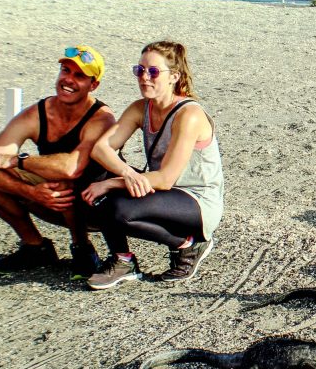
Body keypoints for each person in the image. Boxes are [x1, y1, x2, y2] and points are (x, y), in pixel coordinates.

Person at [83, 41, 224, 290]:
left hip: (196, 200)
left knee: (118, 208)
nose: (144, 77)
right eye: (139, 70)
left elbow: (166, 178)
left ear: (174, 77)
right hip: (163, 191)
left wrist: (113, 183)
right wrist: (125, 173)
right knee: (94, 172)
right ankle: (123, 260)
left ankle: (188, 245)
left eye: (154, 72)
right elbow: (100, 149)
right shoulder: (141, 108)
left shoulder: (189, 115)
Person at [0, 45, 116, 278]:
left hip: (97, 206)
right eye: (65, 71)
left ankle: (82, 248)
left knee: (60, 182)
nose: (68, 79)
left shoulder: (101, 118)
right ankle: (35, 247)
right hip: (52, 200)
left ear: (94, 85)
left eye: (79, 76)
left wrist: (17, 161)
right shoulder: (38, 113)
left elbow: (71, 168)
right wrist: (31, 192)